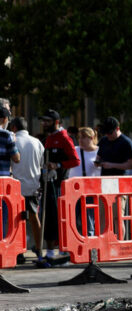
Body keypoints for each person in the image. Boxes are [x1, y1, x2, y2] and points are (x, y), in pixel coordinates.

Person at [41, 110, 79, 261]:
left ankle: (64, 250)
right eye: (43, 121)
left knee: (60, 217)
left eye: (47, 121)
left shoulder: (64, 137)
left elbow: (75, 161)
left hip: (60, 185)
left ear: (56, 122)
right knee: (49, 217)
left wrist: (57, 165)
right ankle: (49, 252)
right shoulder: (48, 138)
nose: (44, 124)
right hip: (47, 184)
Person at [9, 117, 40, 263]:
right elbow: (40, 163)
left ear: (14, 127)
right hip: (33, 185)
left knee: (15, 221)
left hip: (15, 186)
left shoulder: (13, 141)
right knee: (34, 218)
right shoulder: (37, 142)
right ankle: (39, 248)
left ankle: (18, 252)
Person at [69, 127, 102, 237]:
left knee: (89, 220)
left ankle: (90, 244)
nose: (80, 140)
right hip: (74, 190)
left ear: (92, 138)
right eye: (79, 137)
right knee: (72, 219)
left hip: (91, 191)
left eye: (84, 137)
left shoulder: (99, 151)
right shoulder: (75, 150)